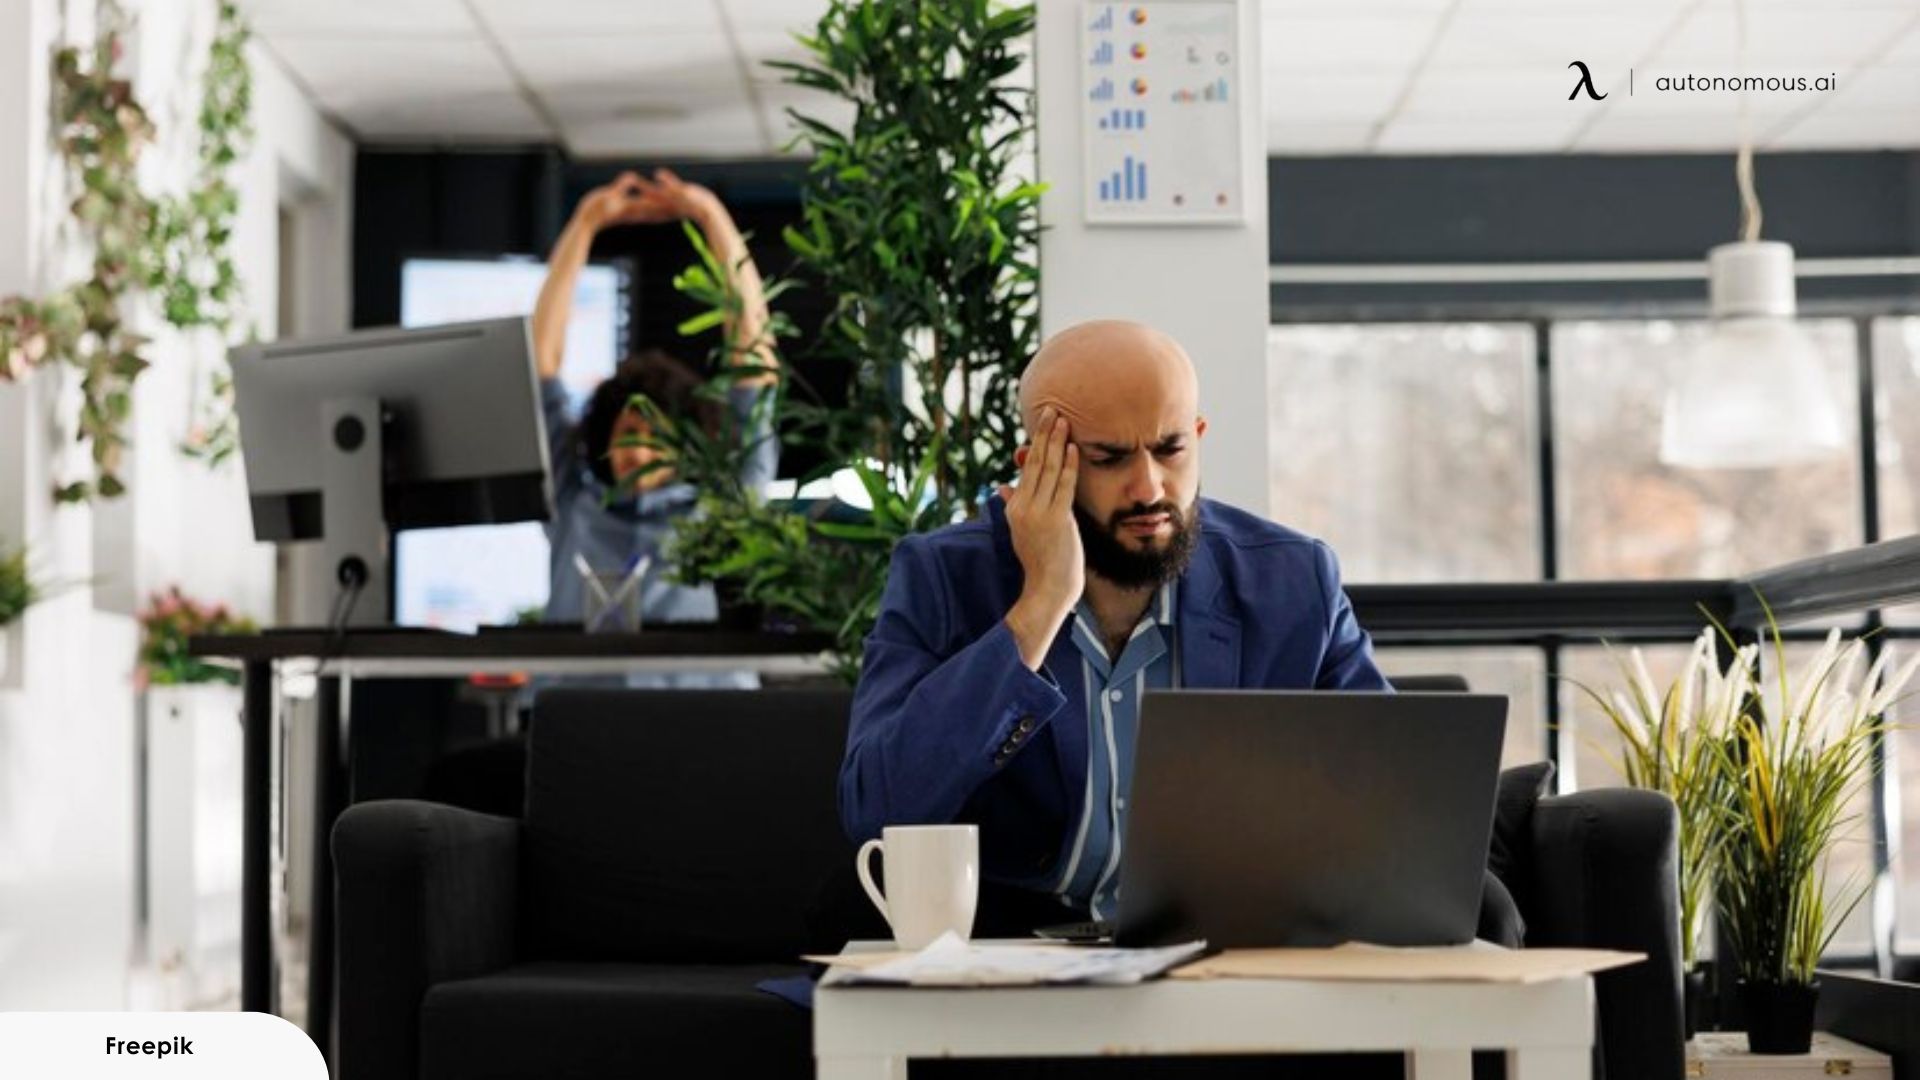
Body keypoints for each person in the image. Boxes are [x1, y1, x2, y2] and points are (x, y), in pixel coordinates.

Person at [840, 319, 1489, 938]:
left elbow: (1393, 800)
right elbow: (880, 809)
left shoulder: (1292, 582)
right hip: (1008, 948)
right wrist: (1039, 607)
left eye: (1170, 448)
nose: (1149, 487)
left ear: (1199, 436)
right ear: (1038, 464)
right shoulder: (945, 577)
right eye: (1109, 458)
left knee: (1488, 906)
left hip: (1229, 943)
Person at [530, 168, 780, 632]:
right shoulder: (572, 505)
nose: (637, 452)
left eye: (656, 437)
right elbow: (541, 364)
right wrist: (585, 223)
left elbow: (755, 367)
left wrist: (711, 216)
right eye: (628, 432)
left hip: (698, 705)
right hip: (576, 705)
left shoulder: (723, 511)